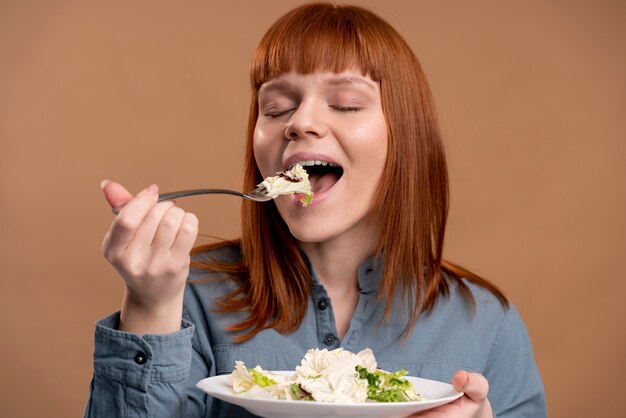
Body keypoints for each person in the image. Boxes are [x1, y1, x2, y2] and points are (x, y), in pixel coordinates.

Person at [84, 3, 546, 417]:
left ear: (406, 138)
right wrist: (148, 306)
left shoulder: (487, 323)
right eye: (276, 107)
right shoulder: (190, 301)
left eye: (345, 103)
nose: (300, 122)